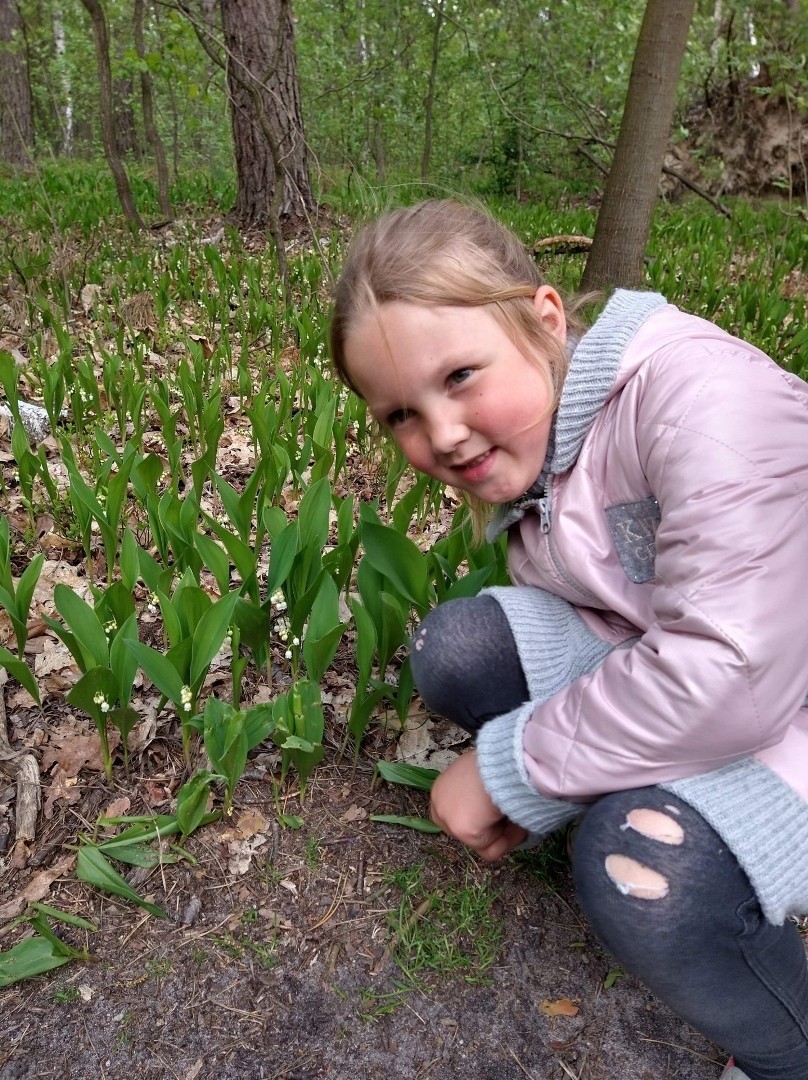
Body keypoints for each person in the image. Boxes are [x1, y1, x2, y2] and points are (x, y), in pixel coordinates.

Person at [329, 199, 808, 1080]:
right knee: (458, 648)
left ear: (545, 319)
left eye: (461, 376)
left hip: (780, 693)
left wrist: (516, 766)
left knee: (644, 871)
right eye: (399, 414)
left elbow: (736, 674)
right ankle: (653, 800)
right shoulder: (552, 440)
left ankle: (789, 1051)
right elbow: (618, 615)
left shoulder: (701, 399)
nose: (440, 435)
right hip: (697, 674)